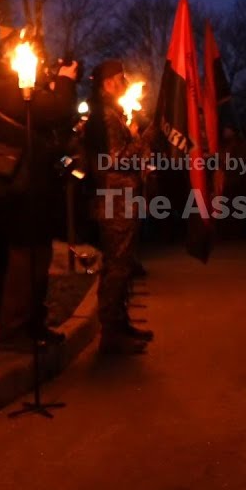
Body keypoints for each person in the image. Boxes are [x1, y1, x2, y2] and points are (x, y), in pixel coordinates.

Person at [0, 55, 79, 353]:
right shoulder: (3, 88)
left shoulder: (14, 88)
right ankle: (11, 333)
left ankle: (33, 324)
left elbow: (53, 125)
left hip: (36, 187)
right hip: (24, 192)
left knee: (39, 257)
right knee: (26, 261)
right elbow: (58, 109)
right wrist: (64, 80)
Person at [85, 59, 153, 355]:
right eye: (121, 78)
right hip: (116, 199)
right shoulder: (108, 117)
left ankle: (119, 323)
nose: (125, 82)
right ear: (109, 82)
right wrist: (144, 137)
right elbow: (116, 158)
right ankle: (111, 333)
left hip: (121, 197)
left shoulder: (111, 114)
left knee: (123, 264)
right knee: (117, 265)